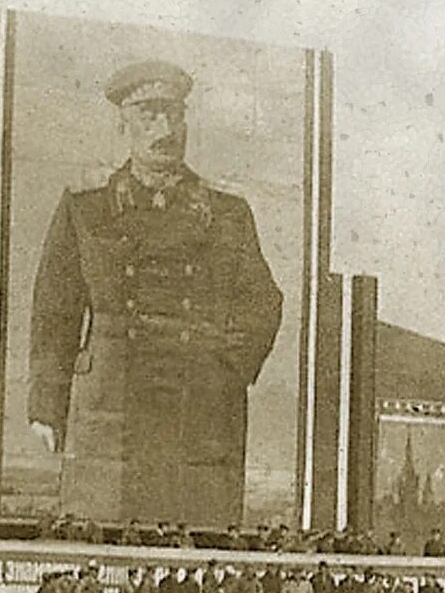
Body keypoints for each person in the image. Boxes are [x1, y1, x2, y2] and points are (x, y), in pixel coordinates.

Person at [27, 59, 284, 527]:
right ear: (122, 123)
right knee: (100, 538)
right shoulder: (87, 208)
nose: (165, 128)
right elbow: (54, 312)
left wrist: (223, 373)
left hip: (200, 409)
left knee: (196, 541)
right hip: (111, 410)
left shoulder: (228, 213)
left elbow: (262, 303)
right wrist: (47, 404)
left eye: (173, 114)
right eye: (149, 115)